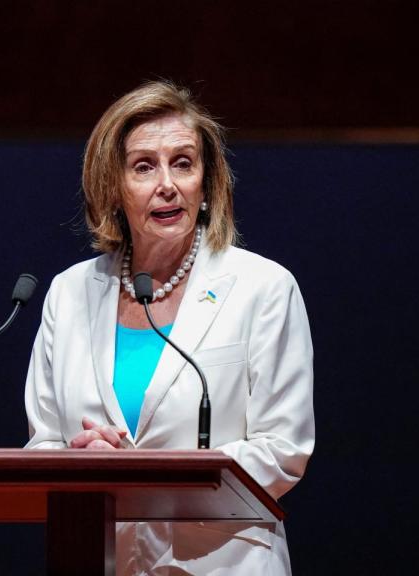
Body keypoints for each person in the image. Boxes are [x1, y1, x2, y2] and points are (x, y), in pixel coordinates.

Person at [24, 80, 315, 575]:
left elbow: (282, 449)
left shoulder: (263, 287)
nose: (167, 183)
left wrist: (146, 479)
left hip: (223, 565)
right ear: (112, 187)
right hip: (101, 560)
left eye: (183, 162)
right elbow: (44, 444)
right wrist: (79, 460)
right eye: (144, 166)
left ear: (207, 183)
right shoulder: (68, 294)